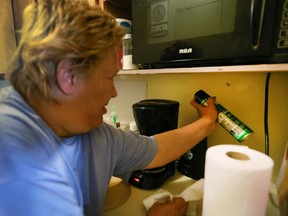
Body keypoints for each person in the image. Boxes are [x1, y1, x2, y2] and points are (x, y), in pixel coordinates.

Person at [0, 0, 218, 216]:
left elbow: (156, 148)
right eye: (109, 77)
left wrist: (207, 122)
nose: (114, 93)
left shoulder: (96, 135)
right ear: (68, 77)